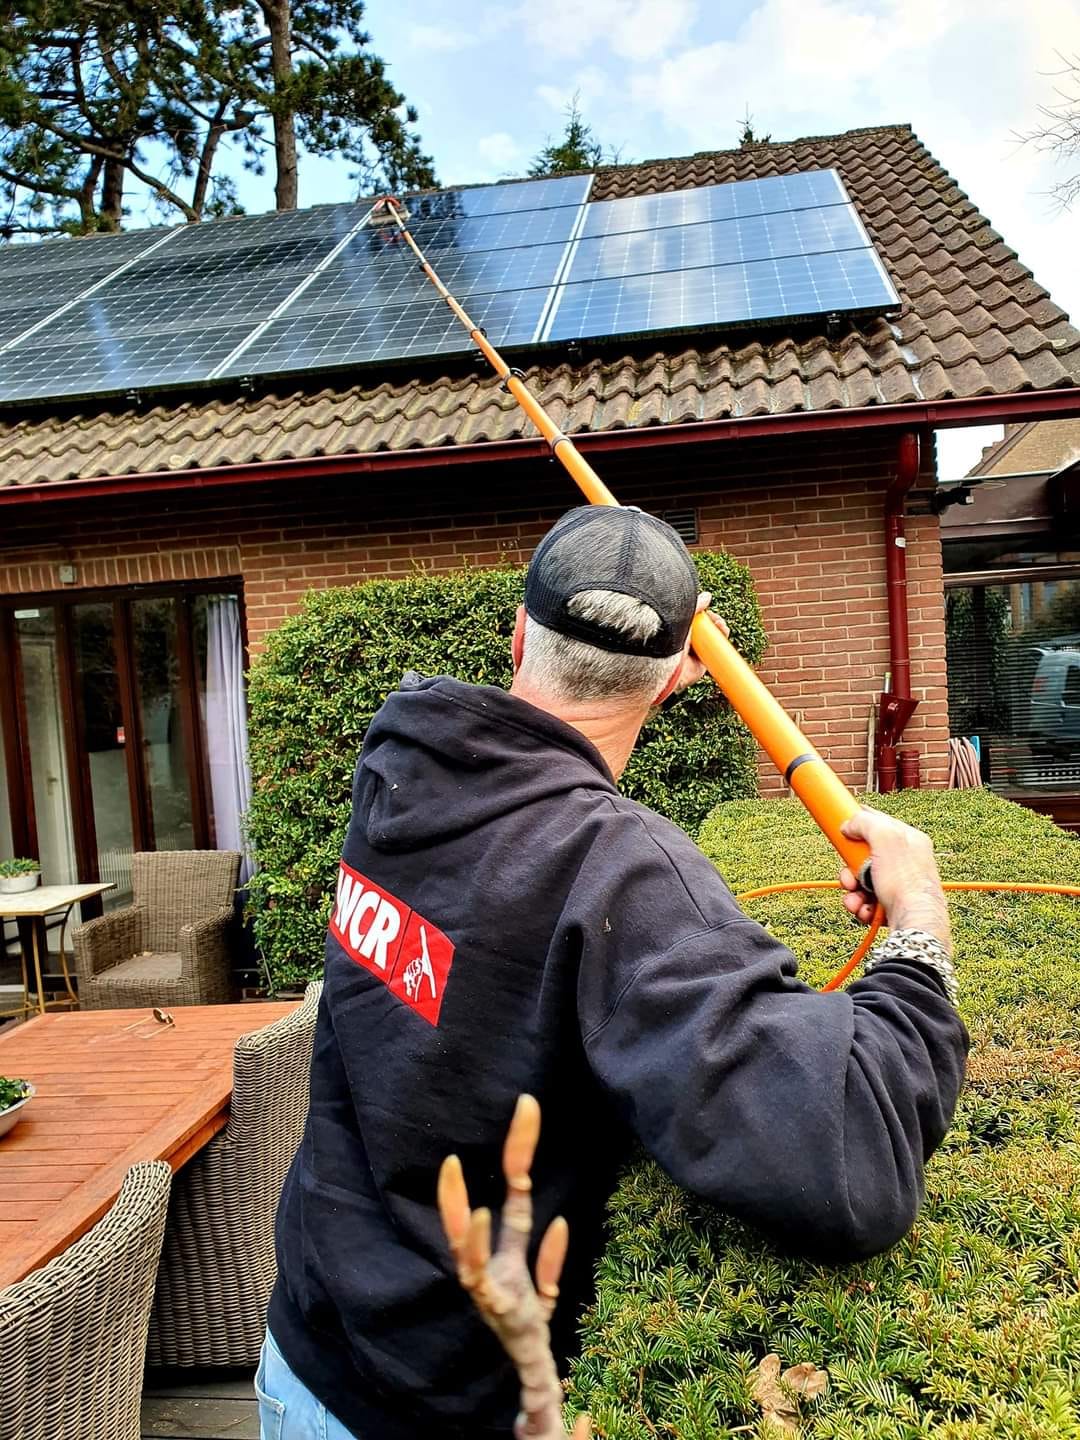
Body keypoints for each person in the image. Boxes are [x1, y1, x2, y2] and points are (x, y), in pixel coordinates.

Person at [258, 505, 968, 1440]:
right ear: (678, 678)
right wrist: (918, 924)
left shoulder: (403, 766)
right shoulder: (620, 876)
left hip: (299, 1364)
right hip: (442, 1413)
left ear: (517, 632)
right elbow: (844, 1157)